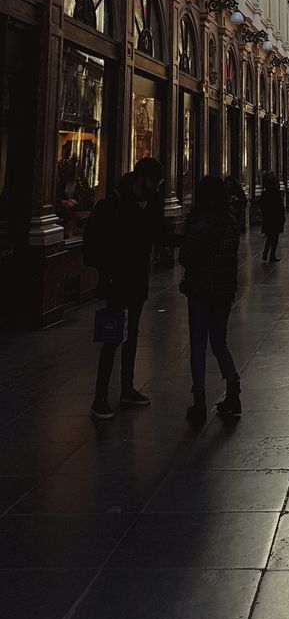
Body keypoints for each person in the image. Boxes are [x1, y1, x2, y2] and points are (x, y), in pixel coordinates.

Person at [84, 157, 165, 420]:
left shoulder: (152, 202)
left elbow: (156, 234)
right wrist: (104, 274)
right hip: (116, 281)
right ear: (141, 178)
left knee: (133, 333)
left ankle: (128, 388)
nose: (157, 187)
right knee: (111, 337)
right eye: (154, 181)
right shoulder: (114, 205)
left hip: (138, 278)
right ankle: (99, 398)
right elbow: (97, 243)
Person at [179, 175, 241, 424]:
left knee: (198, 345)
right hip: (224, 292)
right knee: (219, 341)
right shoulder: (231, 223)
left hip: (200, 291)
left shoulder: (200, 224)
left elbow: (185, 256)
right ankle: (233, 390)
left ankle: (200, 400)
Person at [260, 173, 285, 262]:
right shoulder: (277, 193)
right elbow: (280, 207)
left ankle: (265, 253)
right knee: (274, 238)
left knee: (269, 236)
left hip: (268, 218)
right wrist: (283, 217)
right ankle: (272, 255)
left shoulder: (264, 193)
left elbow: (261, 206)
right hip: (276, 218)